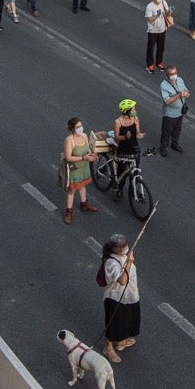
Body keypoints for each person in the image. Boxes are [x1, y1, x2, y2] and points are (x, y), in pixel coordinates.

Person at [101, 233, 140, 362]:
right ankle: (108, 347)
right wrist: (129, 262)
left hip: (130, 295)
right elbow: (122, 280)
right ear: (114, 249)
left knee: (128, 319)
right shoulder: (111, 262)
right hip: (115, 298)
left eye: (125, 244)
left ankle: (122, 340)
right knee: (113, 323)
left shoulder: (123, 255)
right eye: (122, 246)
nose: (125, 246)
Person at [62, 116, 102, 224]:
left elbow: (88, 149)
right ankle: (69, 212)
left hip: (84, 167)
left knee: (83, 186)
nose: (81, 128)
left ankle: (84, 204)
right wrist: (84, 158)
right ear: (73, 129)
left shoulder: (84, 136)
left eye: (81, 126)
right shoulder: (69, 141)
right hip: (74, 170)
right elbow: (68, 158)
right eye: (78, 127)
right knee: (72, 191)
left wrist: (92, 155)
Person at [158, 65, 189, 156]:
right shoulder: (163, 85)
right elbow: (167, 101)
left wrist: (186, 94)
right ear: (166, 75)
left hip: (180, 112)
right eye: (171, 74)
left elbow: (187, 91)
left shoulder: (180, 80)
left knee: (177, 130)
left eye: (175, 73)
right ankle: (163, 147)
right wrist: (179, 95)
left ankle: (174, 144)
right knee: (166, 132)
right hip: (170, 114)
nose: (174, 75)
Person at [145, 0, 171, 72]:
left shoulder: (163, 2)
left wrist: (170, 11)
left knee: (161, 47)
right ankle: (150, 64)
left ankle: (159, 63)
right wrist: (157, 15)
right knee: (151, 48)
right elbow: (150, 20)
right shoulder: (149, 6)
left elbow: (167, 13)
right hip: (153, 31)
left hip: (162, 30)